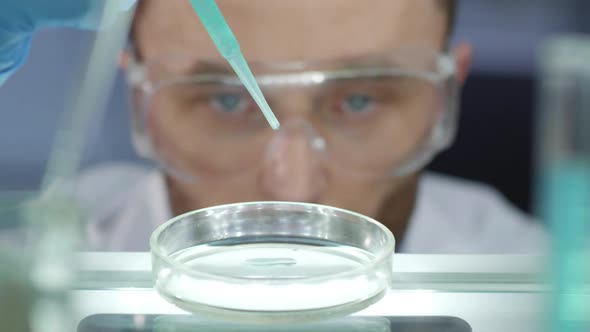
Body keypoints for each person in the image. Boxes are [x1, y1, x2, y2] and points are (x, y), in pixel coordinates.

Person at [1, 0, 547, 253]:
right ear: (138, 94)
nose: (293, 191)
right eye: (224, 99)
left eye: (359, 100)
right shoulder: (32, 262)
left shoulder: (537, 282)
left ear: (445, 95)